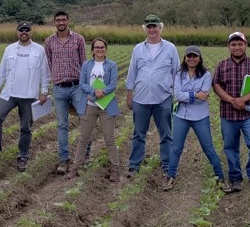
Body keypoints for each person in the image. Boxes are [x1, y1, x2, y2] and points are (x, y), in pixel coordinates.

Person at [0, 21, 50, 172]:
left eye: (27, 30)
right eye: (21, 30)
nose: (24, 32)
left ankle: (23, 156)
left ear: (31, 32)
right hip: (9, 93)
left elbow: (44, 73)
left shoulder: (39, 50)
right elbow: (2, 71)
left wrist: (44, 91)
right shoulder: (9, 49)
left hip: (29, 96)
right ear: (17, 32)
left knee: (25, 127)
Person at [125, 14, 179, 179]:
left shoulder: (170, 48)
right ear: (145, 29)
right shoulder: (138, 49)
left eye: (154, 26)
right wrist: (129, 94)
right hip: (141, 99)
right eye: (149, 26)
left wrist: (176, 96)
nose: (152, 29)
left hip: (163, 98)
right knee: (138, 134)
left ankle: (167, 165)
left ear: (160, 28)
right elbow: (132, 72)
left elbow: (176, 72)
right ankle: (134, 165)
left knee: (166, 134)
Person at [212, 31, 250, 192]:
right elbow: (216, 86)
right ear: (229, 46)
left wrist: (244, 99)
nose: (237, 47)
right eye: (233, 44)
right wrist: (232, 100)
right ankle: (235, 177)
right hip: (228, 115)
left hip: (249, 114)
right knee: (230, 147)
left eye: (240, 44)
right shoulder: (222, 65)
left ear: (246, 45)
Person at [164, 46, 225, 191]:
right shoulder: (179, 75)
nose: (192, 59)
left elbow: (204, 96)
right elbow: (178, 96)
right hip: (181, 115)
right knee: (176, 148)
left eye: (195, 56)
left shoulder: (206, 75)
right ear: (185, 58)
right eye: (189, 56)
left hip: (200, 116)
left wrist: (189, 95)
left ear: (199, 58)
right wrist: (195, 94)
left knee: (208, 148)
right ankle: (170, 177)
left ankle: (221, 177)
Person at [67, 37, 121, 182]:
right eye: (97, 47)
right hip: (89, 106)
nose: (100, 49)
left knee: (109, 139)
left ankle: (115, 169)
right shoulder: (86, 65)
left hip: (106, 106)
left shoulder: (111, 65)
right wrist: (93, 91)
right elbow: (82, 83)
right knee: (84, 138)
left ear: (106, 49)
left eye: (102, 47)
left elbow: (113, 84)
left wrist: (99, 93)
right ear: (92, 50)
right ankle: (75, 168)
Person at [44, 10, 87, 174]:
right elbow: (49, 63)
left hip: (77, 87)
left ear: (68, 21)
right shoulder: (49, 42)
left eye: (63, 19)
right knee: (62, 125)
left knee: (84, 121)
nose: (61, 22)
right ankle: (63, 160)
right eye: (58, 20)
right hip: (59, 89)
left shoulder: (78, 39)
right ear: (54, 22)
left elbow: (84, 64)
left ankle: (83, 158)